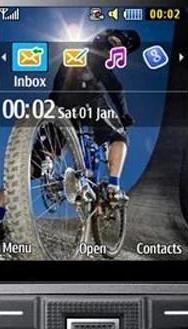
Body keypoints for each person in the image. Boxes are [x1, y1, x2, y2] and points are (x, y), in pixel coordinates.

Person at [49, 28, 140, 202]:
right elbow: (115, 88)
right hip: (88, 98)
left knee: (42, 157)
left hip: (58, 102)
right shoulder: (99, 51)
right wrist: (124, 115)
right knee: (119, 136)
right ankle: (113, 187)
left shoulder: (83, 48)